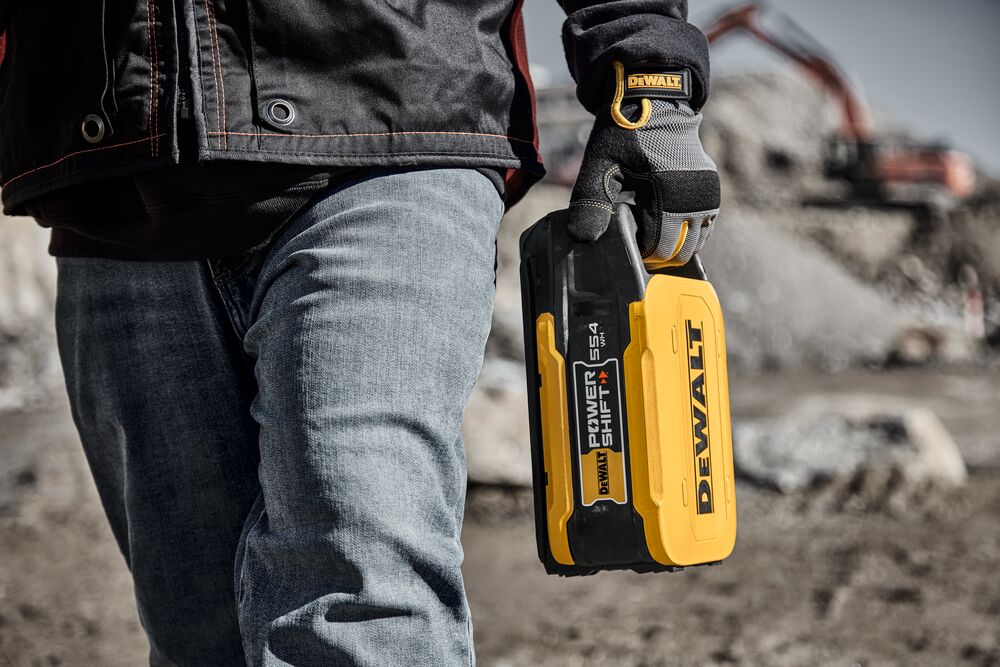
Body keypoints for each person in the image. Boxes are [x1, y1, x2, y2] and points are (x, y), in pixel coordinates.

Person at [0, 0, 719, 664]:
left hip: (388, 118)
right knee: (197, 633)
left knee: (360, 592)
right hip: (110, 169)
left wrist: (648, 72)